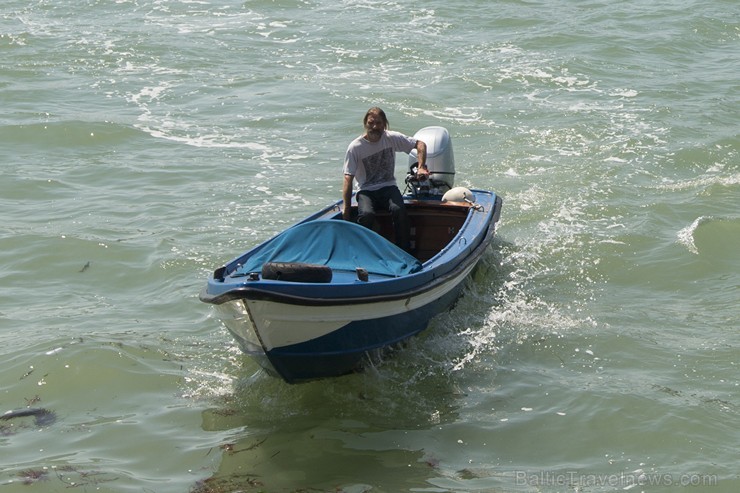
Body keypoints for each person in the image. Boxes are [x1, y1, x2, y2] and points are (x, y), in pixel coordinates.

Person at [342, 107, 428, 252]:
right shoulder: (355, 148)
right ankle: (364, 251)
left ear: (385, 125)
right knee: (366, 215)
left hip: (388, 186)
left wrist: (421, 166)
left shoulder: (391, 138)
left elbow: (420, 145)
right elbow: (347, 178)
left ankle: (403, 251)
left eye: (379, 123)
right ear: (365, 124)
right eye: (371, 123)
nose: (374, 127)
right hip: (366, 190)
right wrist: (346, 209)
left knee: (398, 209)